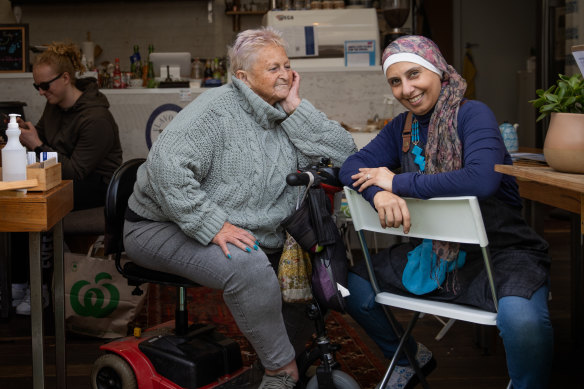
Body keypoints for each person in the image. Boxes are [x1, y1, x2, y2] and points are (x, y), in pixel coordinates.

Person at [123, 27, 356, 389]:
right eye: (272, 68)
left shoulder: (285, 114)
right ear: (243, 78)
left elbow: (347, 156)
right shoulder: (215, 113)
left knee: (311, 276)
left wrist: (296, 108)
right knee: (248, 265)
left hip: (247, 228)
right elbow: (165, 166)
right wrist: (210, 223)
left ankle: (273, 369)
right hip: (157, 225)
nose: (283, 75)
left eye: (286, 66)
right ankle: (281, 370)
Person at [339, 35, 552, 389]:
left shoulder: (473, 114)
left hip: (502, 254)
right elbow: (352, 166)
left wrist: (398, 183)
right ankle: (408, 358)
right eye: (395, 81)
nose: (406, 89)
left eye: (414, 75)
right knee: (354, 288)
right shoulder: (402, 129)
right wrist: (378, 194)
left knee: (524, 323)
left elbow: (481, 180)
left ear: (437, 69)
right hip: (434, 254)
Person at [10, 41, 123, 315]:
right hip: (65, 177)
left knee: (35, 203)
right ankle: (20, 282)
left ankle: (41, 288)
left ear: (65, 78)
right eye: (36, 86)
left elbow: (76, 172)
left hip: (97, 186)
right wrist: (23, 133)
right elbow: (44, 135)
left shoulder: (96, 118)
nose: (41, 92)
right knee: (16, 199)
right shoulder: (55, 105)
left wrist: (37, 145)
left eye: (45, 85)